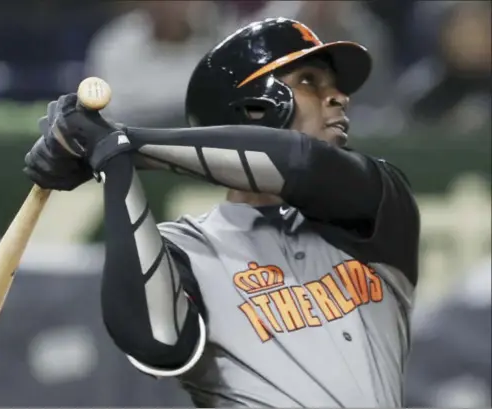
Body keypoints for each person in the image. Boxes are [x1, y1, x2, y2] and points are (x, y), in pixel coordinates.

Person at [23, 18, 421, 408]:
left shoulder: (378, 203)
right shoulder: (186, 249)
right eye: (309, 82)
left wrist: (120, 142)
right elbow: (156, 343)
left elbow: (302, 164)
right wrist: (111, 160)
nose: (339, 97)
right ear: (254, 109)